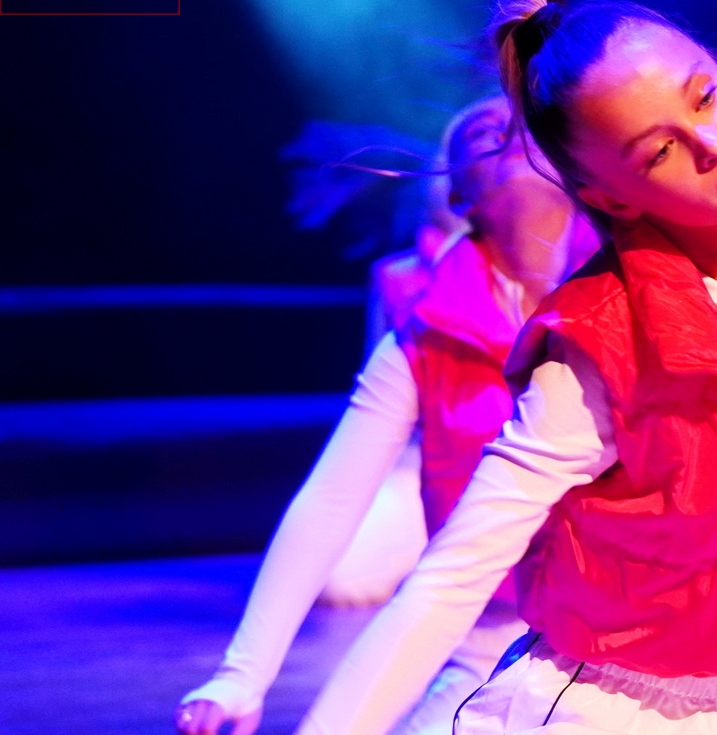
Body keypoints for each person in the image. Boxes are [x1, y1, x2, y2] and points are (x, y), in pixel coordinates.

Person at [289, 0, 717, 735]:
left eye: (704, 96)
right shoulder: (603, 348)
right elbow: (453, 576)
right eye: (660, 149)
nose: (711, 143)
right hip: (609, 709)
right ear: (611, 197)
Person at [175, 96, 597, 735]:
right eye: (485, 134)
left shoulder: (638, 287)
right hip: (489, 634)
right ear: (457, 197)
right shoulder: (425, 329)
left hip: (631, 639)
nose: (511, 131)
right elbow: (333, 496)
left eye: (527, 125)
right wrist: (242, 676)